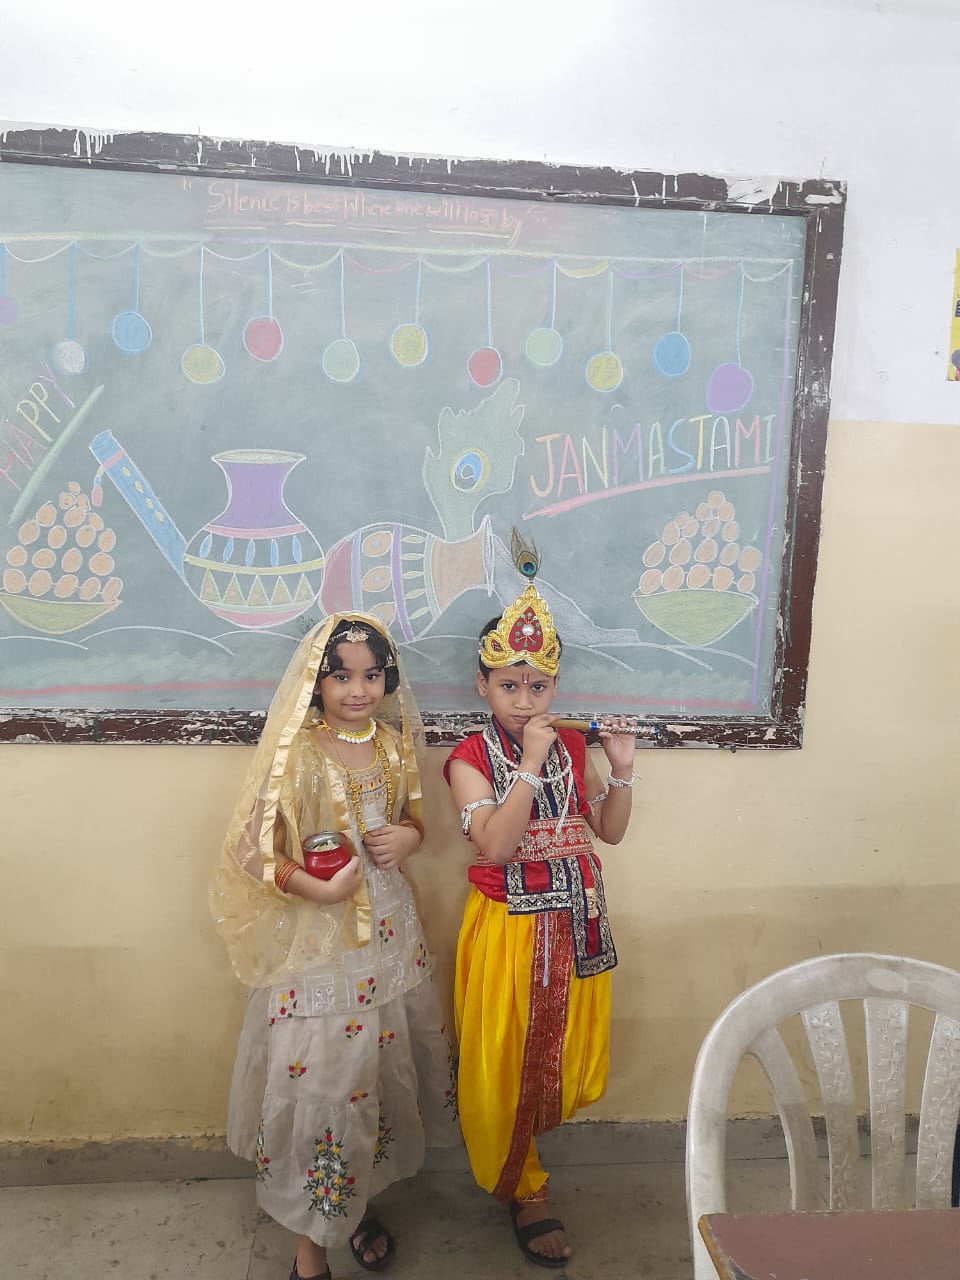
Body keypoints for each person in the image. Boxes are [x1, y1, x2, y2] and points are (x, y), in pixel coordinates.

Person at [211, 613, 459, 1280]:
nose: (358, 690)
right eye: (342, 676)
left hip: (390, 938)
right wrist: (314, 889)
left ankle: (355, 1205)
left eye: (372, 675)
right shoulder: (298, 752)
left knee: (374, 1072)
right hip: (321, 948)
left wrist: (409, 838)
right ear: (316, 681)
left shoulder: (394, 746)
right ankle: (311, 1250)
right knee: (327, 1081)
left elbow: (413, 820)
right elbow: (250, 849)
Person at [444, 581, 636, 1269]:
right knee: (508, 1058)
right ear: (482, 685)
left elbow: (608, 830)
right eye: (508, 686)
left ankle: (529, 1162)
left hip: (577, 921)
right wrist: (528, 762)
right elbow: (496, 846)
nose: (524, 701)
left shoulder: (571, 746)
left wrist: (622, 769)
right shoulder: (468, 758)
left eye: (538, 686)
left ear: (555, 684)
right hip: (511, 928)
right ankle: (526, 1191)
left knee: (557, 1059)